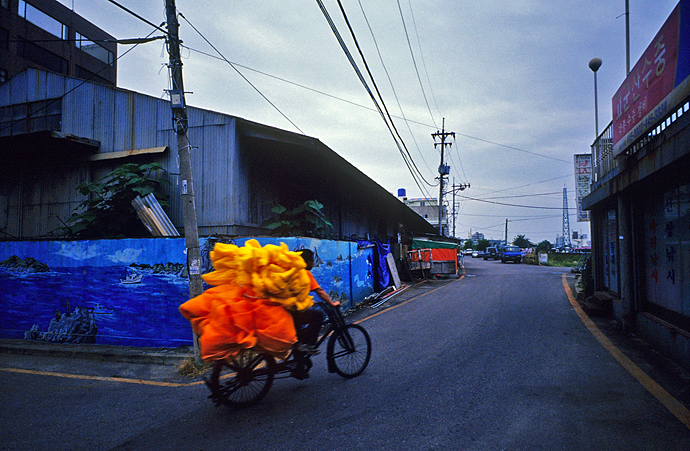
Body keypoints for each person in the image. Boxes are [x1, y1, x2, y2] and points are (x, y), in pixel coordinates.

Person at [290, 249, 340, 378]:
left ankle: (299, 368)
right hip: (293, 313)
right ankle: (309, 345)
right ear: (308, 262)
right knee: (318, 316)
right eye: (312, 260)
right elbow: (320, 291)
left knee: (299, 337)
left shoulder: (292, 272)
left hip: (285, 313)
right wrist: (332, 303)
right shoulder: (304, 273)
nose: (313, 263)